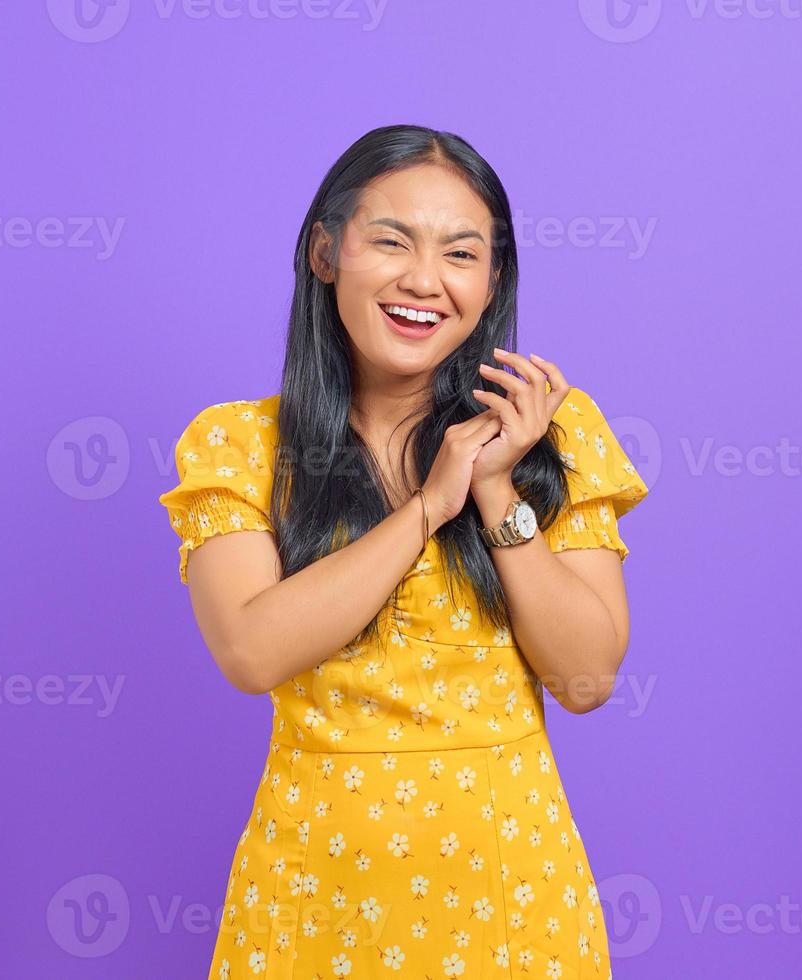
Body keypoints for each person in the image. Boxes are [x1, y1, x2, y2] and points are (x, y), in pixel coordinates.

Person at [158, 123, 648, 978]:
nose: (425, 281)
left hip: (512, 896)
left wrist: (494, 487)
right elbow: (252, 650)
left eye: (461, 254)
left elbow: (585, 679)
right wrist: (427, 506)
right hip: (314, 897)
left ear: (492, 280)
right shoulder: (240, 445)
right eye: (392, 242)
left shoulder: (553, 438)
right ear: (324, 252)